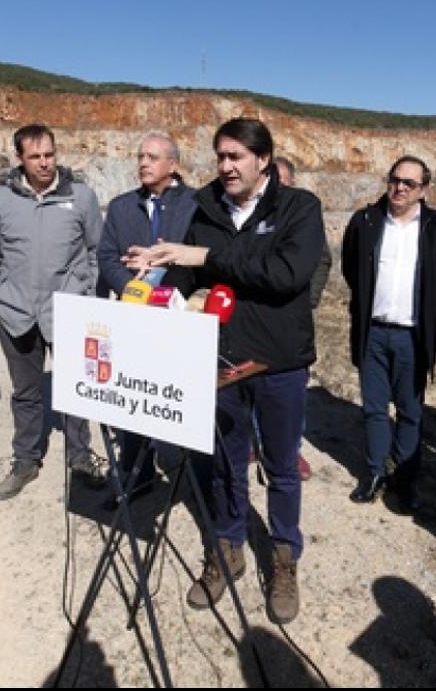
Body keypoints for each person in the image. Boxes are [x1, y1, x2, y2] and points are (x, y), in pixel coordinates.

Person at [126, 117, 324, 625]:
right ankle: (228, 548)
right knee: (224, 463)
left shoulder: (298, 208)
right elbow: (193, 272)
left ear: (262, 159)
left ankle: (283, 558)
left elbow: (286, 274)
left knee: (281, 466)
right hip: (220, 360)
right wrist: (156, 276)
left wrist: (208, 254)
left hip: (279, 361)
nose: (226, 166)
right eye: (220, 156)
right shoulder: (207, 206)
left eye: (236, 156)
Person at [0, 124, 104, 500]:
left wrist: (87, 298)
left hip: (67, 310)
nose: (45, 163)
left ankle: (80, 457)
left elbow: (97, 249)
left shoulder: (81, 196)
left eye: (49, 154)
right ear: (20, 159)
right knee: (26, 392)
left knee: (76, 389)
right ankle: (26, 460)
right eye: (35, 157)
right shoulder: (0, 200)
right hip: (15, 313)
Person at [341, 155, 436, 510]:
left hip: (413, 337)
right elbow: (350, 267)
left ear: (423, 190)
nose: (400, 188)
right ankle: (375, 472)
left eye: (410, 183)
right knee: (373, 408)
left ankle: (405, 479)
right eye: (395, 179)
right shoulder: (366, 221)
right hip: (372, 331)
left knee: (409, 410)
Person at [95, 132, 196, 507]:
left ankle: (195, 476)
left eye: (152, 157)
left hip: (178, 319)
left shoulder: (196, 205)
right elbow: (107, 257)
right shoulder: (122, 207)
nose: (143, 163)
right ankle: (137, 475)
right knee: (134, 399)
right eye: (140, 156)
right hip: (133, 320)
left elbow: (203, 258)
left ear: (173, 164)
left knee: (180, 399)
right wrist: (132, 288)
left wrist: (160, 276)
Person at [271, 156, 320, 482]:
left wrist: (309, 298)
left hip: (292, 321)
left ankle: (292, 449)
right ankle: (255, 442)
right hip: (257, 322)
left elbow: (323, 261)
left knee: (292, 390)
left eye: (283, 182)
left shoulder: (303, 216)